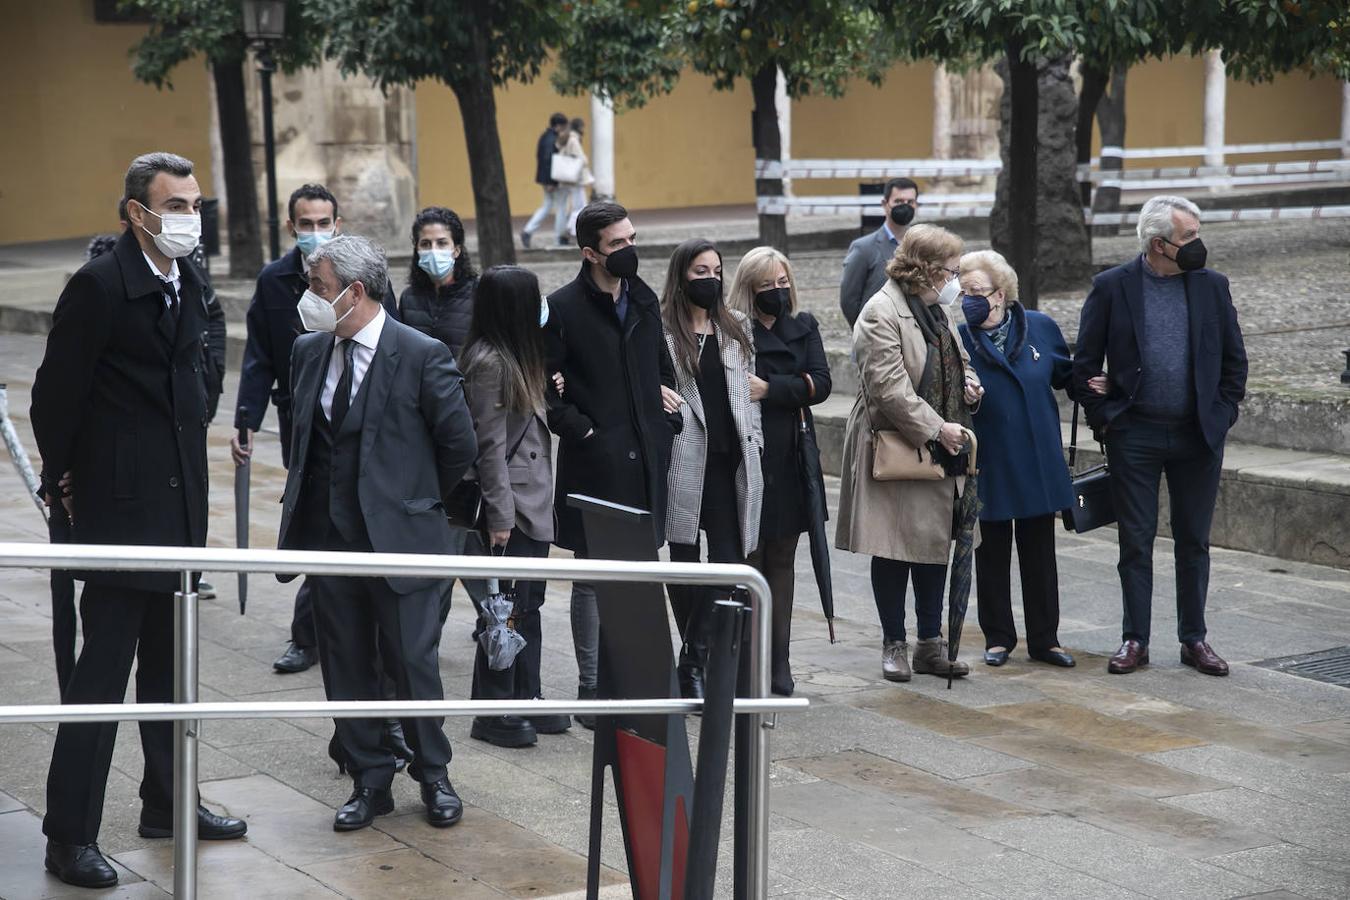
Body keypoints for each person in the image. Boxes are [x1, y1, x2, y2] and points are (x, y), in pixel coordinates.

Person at [31, 152, 247, 889]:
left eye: (193, 203)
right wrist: (64, 483)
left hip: (178, 505)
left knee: (172, 668)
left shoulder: (182, 277)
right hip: (120, 513)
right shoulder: (97, 287)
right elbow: (53, 397)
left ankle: (167, 801)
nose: (189, 217)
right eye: (174, 204)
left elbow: (192, 375)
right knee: (101, 677)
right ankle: (68, 836)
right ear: (135, 212)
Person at [277, 235, 477, 831]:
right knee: (345, 662)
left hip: (402, 539)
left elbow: (459, 444)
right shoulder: (309, 351)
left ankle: (433, 775)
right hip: (331, 540)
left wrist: (412, 500)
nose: (309, 297)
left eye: (318, 286)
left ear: (354, 292)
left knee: (412, 662)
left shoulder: (421, 352)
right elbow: (304, 440)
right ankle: (369, 777)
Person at [1073, 195, 1247, 677]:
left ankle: (1195, 639)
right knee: (1136, 541)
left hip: (1198, 437)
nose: (1198, 243)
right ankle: (1135, 639)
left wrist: (1223, 412)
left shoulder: (1213, 287)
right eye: (1188, 236)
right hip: (1136, 435)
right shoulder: (1112, 287)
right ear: (1158, 244)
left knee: (1194, 540)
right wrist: (1108, 417)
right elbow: (1083, 368)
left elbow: (1235, 361)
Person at [231, 183, 396, 675]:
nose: (316, 231)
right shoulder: (274, 280)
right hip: (304, 427)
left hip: (366, 434)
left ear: (338, 223)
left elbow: (393, 347)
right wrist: (245, 420)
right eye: (307, 224)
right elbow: (259, 358)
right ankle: (310, 636)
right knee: (316, 522)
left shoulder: (362, 276)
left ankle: (333, 631)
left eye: (325, 222)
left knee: (343, 529)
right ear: (291, 227)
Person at [544, 200, 682, 725]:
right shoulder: (561, 309)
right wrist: (586, 431)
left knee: (641, 574)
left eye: (631, 239)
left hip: (645, 459)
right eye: (617, 244)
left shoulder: (645, 301)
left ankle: (634, 678)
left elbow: (663, 370)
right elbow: (548, 389)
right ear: (590, 253)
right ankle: (591, 688)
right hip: (595, 464)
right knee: (591, 578)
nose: (629, 250)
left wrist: (667, 418)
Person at [835, 224, 982, 683]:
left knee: (936, 543)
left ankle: (930, 645)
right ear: (928, 270)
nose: (956, 279)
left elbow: (958, 359)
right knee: (896, 547)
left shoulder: (936, 309)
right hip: (900, 443)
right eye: (951, 271)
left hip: (943, 445)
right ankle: (894, 643)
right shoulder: (880, 312)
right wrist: (937, 428)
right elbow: (888, 389)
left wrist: (971, 386)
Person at [461, 266, 572, 747]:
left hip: (532, 499)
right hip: (511, 506)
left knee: (527, 603)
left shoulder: (520, 357)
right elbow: (488, 446)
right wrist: (499, 518)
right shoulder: (491, 362)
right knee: (503, 608)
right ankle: (493, 710)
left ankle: (527, 695)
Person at [956, 250, 1076, 669]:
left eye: (977, 292)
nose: (968, 299)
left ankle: (1046, 639)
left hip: (1037, 458)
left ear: (1000, 293)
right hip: (989, 458)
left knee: (1040, 552)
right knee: (992, 553)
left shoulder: (1040, 327)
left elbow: (1066, 375)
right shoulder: (957, 337)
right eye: (963, 292)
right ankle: (998, 636)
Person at [660, 239, 763, 699]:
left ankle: (694, 658)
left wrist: (753, 439)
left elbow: (745, 391)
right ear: (682, 276)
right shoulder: (663, 328)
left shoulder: (736, 325)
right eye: (700, 271)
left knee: (728, 562)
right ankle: (694, 659)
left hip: (730, 462)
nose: (712, 279)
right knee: (684, 563)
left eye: (717, 270)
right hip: (684, 460)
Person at [727, 246, 831, 696]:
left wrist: (771, 388)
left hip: (789, 456)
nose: (776, 291)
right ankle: (747, 657)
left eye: (782, 282)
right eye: (766, 285)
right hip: (747, 455)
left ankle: (779, 659)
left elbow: (820, 383)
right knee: (750, 557)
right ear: (749, 288)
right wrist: (788, 390)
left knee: (783, 559)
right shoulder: (733, 329)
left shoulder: (804, 326)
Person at [398, 205, 489, 626]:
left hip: (466, 429)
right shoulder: (409, 298)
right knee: (450, 533)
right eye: (425, 244)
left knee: (464, 530)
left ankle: (488, 618)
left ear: (457, 249)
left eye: (441, 244)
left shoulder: (478, 295)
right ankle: (489, 618)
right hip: (419, 433)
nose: (433, 251)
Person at [840, 177, 920, 328]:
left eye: (910, 202)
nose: (905, 206)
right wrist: (867, 331)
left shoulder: (922, 247)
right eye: (898, 201)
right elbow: (849, 301)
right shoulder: (863, 248)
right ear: (885, 204)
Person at [520, 112, 570, 249]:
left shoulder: (545, 136)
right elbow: (548, 160)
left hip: (546, 178)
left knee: (547, 205)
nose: (565, 130)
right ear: (559, 126)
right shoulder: (552, 139)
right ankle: (560, 237)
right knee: (561, 207)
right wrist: (551, 182)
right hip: (552, 179)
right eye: (564, 126)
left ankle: (527, 231)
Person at [561, 117, 593, 243]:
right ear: (579, 127)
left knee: (578, 205)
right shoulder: (574, 140)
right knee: (579, 206)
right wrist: (586, 160)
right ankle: (571, 232)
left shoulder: (568, 138)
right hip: (576, 178)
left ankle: (569, 231)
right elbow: (581, 159)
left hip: (572, 178)